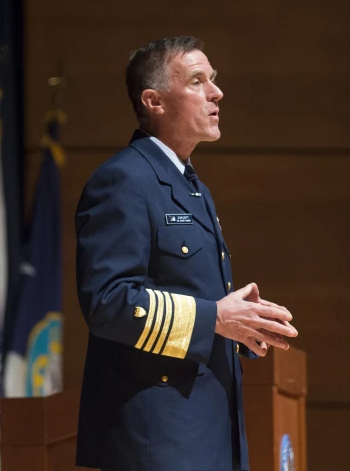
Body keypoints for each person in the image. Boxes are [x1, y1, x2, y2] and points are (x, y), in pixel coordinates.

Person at [74, 36, 298, 471]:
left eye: (213, 80)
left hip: (206, 432)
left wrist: (243, 324)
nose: (217, 92)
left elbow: (189, 297)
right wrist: (215, 318)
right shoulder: (124, 181)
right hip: (158, 440)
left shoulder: (192, 188)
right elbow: (107, 302)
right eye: (198, 81)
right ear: (154, 101)